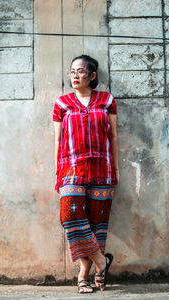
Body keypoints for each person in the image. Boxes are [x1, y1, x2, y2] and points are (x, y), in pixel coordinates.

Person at [53, 54, 119, 293]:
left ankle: (84, 275)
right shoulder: (62, 103)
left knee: (96, 224)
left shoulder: (107, 100)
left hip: (103, 169)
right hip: (71, 169)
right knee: (70, 216)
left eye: (80, 71)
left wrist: (117, 168)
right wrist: (57, 171)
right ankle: (102, 261)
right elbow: (58, 140)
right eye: (72, 71)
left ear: (92, 75)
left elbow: (113, 137)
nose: (74, 75)